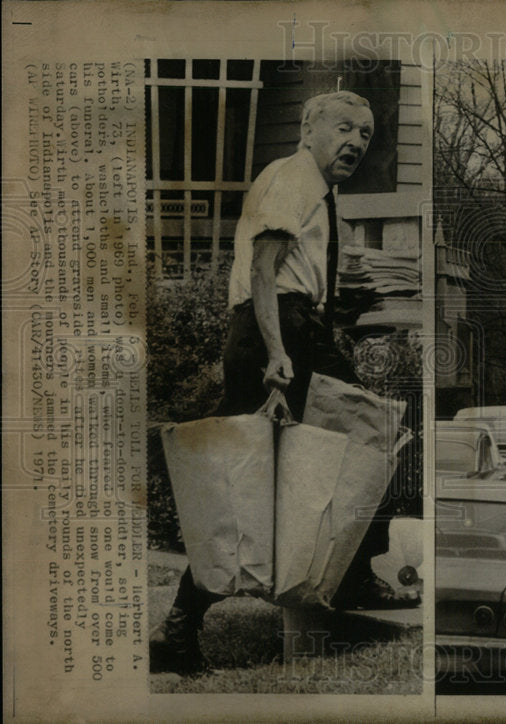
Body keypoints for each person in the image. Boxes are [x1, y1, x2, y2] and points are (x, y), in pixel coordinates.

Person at [151, 91, 415, 676]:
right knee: (271, 475)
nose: (356, 142)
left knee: (316, 458)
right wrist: (276, 352)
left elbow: (286, 272)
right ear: (308, 128)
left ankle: (343, 580)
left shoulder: (312, 188)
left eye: (366, 134)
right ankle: (181, 628)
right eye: (344, 128)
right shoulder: (294, 177)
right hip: (277, 334)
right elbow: (263, 271)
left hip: (295, 329)